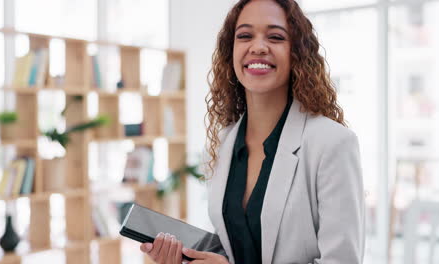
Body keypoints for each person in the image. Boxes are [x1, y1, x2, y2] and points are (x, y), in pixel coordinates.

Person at [140, 0, 365, 263]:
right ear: (231, 51)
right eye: (245, 36)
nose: (258, 47)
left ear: (297, 52)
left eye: (275, 36)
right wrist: (190, 257)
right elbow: (239, 246)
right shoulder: (224, 142)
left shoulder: (333, 143)